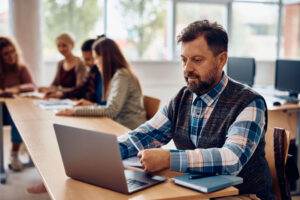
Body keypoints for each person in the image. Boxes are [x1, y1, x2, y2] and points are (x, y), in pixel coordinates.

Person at [118, 20, 273, 199]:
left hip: (244, 195)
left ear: (221, 60)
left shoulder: (249, 102)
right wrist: (110, 149)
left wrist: (168, 158)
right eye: (184, 60)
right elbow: (146, 134)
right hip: (197, 191)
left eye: (197, 60)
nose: (187, 68)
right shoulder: (182, 98)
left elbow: (232, 159)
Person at [56, 37, 146, 130]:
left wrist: (75, 111)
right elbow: (111, 107)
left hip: (128, 129)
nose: (95, 62)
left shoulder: (122, 75)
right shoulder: (117, 74)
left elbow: (111, 111)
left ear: (105, 57)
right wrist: (91, 106)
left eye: (96, 58)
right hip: (118, 124)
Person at [0, 36, 35, 171]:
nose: (11, 56)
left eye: (12, 51)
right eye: (6, 54)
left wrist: (17, 88)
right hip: (2, 111)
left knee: (19, 118)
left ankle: (14, 154)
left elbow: (32, 86)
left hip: (14, 112)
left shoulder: (21, 68)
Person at [45, 37, 104, 104]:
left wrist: (93, 105)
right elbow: (81, 90)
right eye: (84, 59)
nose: (84, 63)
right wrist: (60, 94)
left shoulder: (103, 74)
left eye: (88, 59)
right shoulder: (92, 71)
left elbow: (106, 106)